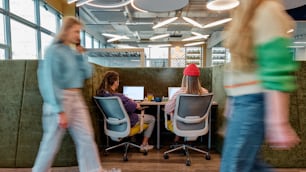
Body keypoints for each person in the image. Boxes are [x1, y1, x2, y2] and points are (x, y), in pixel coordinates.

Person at [220, 0, 300, 171]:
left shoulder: (268, 10)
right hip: (242, 101)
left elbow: (276, 68)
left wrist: (278, 122)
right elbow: (237, 68)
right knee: (249, 166)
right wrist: (231, 102)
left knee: (233, 167)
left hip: (255, 100)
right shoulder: (241, 14)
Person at [33, 16, 119, 172]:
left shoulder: (73, 52)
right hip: (60, 98)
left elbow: (87, 73)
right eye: (76, 31)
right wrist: (59, 110)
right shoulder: (53, 51)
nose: (78, 36)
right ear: (65, 31)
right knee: (50, 144)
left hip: (76, 97)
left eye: (79, 32)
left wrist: (80, 56)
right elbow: (48, 81)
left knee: (86, 138)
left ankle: (93, 170)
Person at [96, 71, 156, 152]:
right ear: (115, 82)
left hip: (112, 124)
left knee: (132, 115)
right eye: (118, 81)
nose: (118, 83)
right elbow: (133, 107)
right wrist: (133, 102)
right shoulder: (120, 96)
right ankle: (144, 144)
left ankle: (133, 141)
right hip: (126, 122)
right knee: (152, 118)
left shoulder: (102, 95)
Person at [165, 63, 209, 143]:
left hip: (180, 125)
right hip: (198, 125)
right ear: (197, 79)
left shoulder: (179, 93)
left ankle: (177, 140)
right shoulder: (205, 92)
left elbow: (167, 110)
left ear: (185, 78)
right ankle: (183, 140)